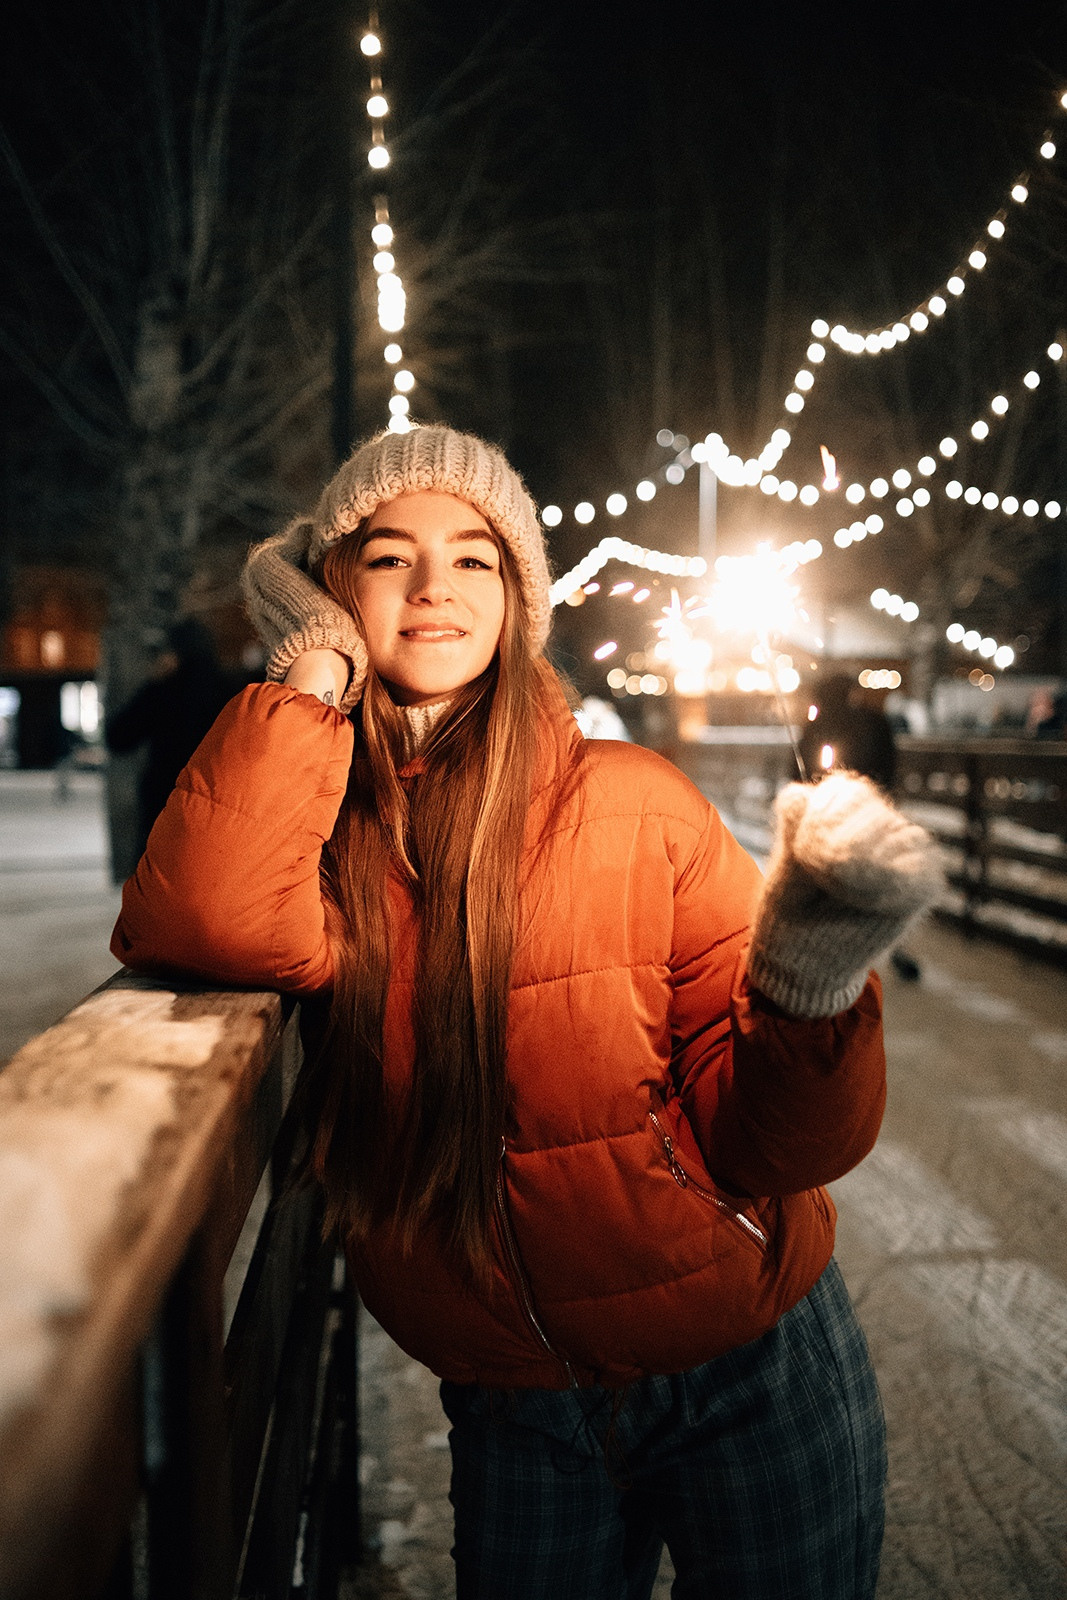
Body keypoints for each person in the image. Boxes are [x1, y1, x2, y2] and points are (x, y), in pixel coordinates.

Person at [112, 426, 941, 1600]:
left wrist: (808, 983)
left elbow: (787, 1150)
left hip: (747, 1363)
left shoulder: (637, 804)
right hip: (516, 1405)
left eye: (475, 559)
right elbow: (195, 912)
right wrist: (307, 669)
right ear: (332, 593)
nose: (435, 586)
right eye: (388, 558)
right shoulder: (329, 846)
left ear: (517, 599)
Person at [799, 672, 923, 982]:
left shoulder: (817, 726)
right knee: (878, 881)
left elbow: (800, 771)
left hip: (830, 815)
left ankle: (837, 954)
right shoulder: (872, 721)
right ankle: (893, 950)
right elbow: (890, 765)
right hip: (868, 813)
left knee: (832, 883)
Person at [105, 616, 235, 858]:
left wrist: (152, 685)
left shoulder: (163, 692)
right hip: (214, 807)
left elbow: (118, 737)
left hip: (165, 803)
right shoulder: (228, 691)